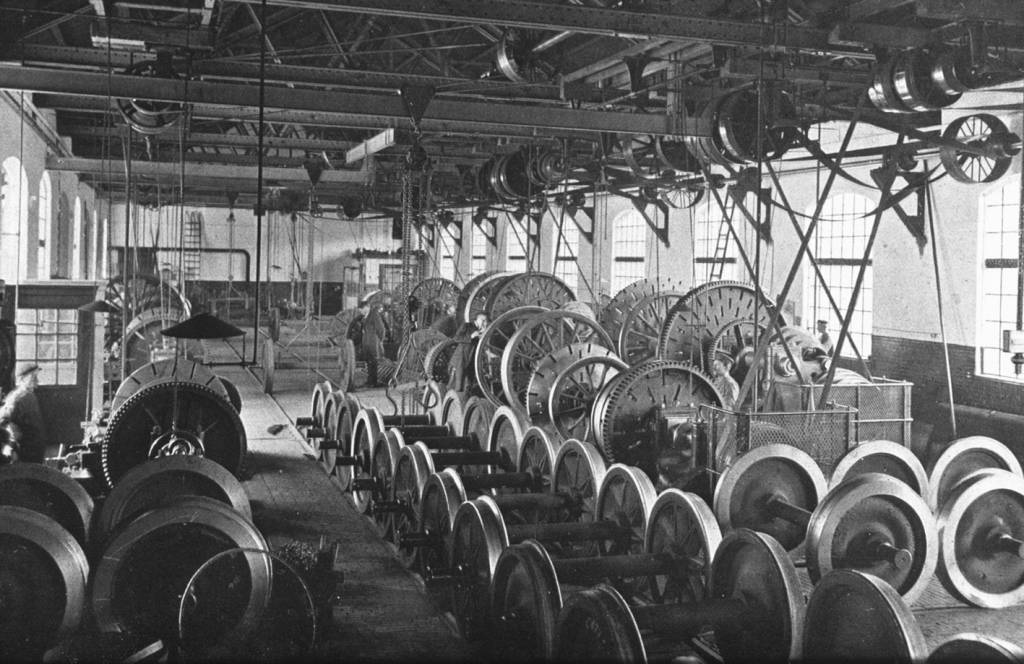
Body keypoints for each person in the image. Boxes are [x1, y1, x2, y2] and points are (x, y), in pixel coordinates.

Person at [0, 364, 47, 463]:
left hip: (35, 447)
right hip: (24, 449)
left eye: (36, 377)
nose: (37, 381)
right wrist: (11, 430)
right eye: (33, 377)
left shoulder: (30, 396)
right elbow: (2, 418)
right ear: (22, 379)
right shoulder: (17, 397)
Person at [450, 312, 488, 393]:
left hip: (472, 361)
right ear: (476, 319)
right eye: (483, 320)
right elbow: (456, 338)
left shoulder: (482, 330)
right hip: (461, 359)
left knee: (469, 386)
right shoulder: (467, 326)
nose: (485, 323)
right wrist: (471, 336)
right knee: (458, 386)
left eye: (486, 321)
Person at [362, 303, 387, 388]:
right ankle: (370, 381)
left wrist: (379, 339)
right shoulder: (368, 316)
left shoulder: (373, 315)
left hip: (372, 342)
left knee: (373, 362)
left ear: (367, 307)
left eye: (362, 309)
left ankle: (373, 382)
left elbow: (381, 329)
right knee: (370, 362)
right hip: (369, 343)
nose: (361, 311)